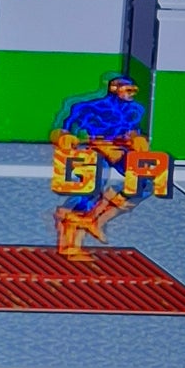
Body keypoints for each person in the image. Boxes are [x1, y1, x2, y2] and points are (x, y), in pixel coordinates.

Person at [52, 75, 147, 256]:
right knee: (91, 188)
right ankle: (70, 239)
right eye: (128, 90)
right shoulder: (89, 108)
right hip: (94, 149)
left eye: (134, 90)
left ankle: (97, 219)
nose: (132, 94)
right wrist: (67, 138)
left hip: (119, 150)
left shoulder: (134, 110)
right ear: (114, 89)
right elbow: (66, 129)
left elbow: (132, 131)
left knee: (144, 183)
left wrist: (136, 139)